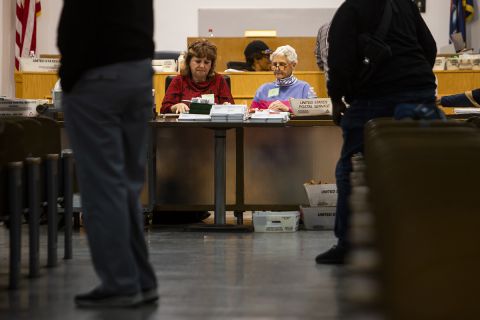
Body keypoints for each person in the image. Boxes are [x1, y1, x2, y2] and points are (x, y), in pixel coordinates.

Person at [316, 0, 445, 264]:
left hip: (375, 99)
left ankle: (348, 242)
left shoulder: (351, 9)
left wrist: (337, 99)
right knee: (424, 164)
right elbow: (429, 47)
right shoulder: (405, 4)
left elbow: (339, 60)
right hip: (420, 96)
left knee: (350, 167)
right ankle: (427, 236)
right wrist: (414, 81)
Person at [57, 0, 158, 307]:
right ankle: (140, 279)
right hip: (138, 73)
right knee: (124, 185)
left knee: (102, 187)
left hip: (96, 77)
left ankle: (120, 283)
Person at [161, 40, 234, 113]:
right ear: (188, 62)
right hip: (185, 124)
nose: (202, 66)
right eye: (198, 61)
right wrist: (175, 106)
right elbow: (164, 109)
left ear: (211, 65)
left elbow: (233, 109)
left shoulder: (219, 80)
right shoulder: (179, 80)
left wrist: (227, 107)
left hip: (213, 124)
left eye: (206, 62)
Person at [251, 45, 317, 113]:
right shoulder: (263, 89)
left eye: (282, 64)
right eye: (274, 64)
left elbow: (314, 113)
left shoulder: (304, 88)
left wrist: (289, 110)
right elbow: (252, 114)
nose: (277, 68)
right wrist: (267, 112)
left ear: (293, 65)